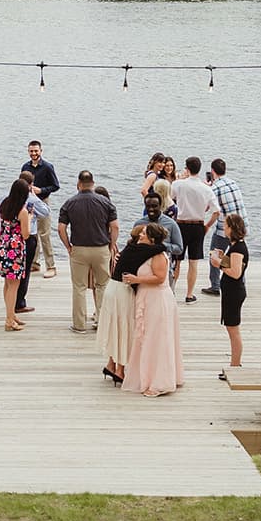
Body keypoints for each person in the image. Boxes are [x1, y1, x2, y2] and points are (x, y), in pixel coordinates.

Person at [122, 221, 184, 397]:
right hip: (147, 297)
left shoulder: (158, 255)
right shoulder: (148, 252)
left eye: (144, 234)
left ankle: (159, 382)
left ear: (152, 238)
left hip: (158, 299)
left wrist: (136, 280)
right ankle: (147, 375)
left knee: (157, 339)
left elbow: (160, 277)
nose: (140, 235)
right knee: (147, 337)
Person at [101, 216, 164, 386]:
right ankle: (120, 370)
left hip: (112, 288)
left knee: (116, 328)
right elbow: (161, 248)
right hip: (122, 291)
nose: (142, 236)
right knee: (124, 329)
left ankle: (111, 364)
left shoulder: (130, 249)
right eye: (142, 234)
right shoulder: (142, 249)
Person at [57, 170, 119, 333]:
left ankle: (79, 325)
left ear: (79, 183)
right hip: (101, 248)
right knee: (102, 285)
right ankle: (102, 321)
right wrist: (112, 245)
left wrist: (68, 246)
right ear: (93, 183)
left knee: (79, 287)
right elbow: (115, 227)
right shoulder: (105, 203)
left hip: (79, 249)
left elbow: (61, 228)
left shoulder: (69, 203)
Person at [171, 156, 220, 303]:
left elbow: (170, 199)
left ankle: (172, 290)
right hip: (198, 225)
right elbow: (216, 211)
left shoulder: (178, 184)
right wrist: (207, 226)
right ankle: (189, 294)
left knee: (177, 261)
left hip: (180, 224)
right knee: (193, 263)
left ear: (187, 168)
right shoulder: (206, 188)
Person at [0, 178, 33, 330]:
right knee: (14, 285)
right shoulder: (23, 211)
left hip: (2, 245)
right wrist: (30, 218)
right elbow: (26, 235)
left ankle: (11, 314)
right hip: (14, 249)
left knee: (7, 283)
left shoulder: (5, 204)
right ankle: (8, 320)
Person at [210, 212, 249, 377]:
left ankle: (235, 365)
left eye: (226, 226)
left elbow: (235, 272)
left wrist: (218, 264)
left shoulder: (238, 248)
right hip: (231, 291)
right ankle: (234, 363)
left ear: (232, 228)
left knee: (233, 330)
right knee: (231, 328)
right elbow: (232, 264)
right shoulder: (235, 246)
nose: (223, 229)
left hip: (234, 291)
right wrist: (222, 257)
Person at [204, 158, 244, 297]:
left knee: (214, 253)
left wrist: (207, 225)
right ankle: (240, 281)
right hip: (242, 225)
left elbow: (209, 209)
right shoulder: (233, 182)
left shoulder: (215, 188)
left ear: (213, 171)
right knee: (238, 255)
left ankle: (215, 286)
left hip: (225, 228)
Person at [21, 140, 60, 276]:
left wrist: (41, 190)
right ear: (28, 151)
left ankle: (51, 266)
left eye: (36, 151)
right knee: (32, 234)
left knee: (45, 234)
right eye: (31, 151)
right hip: (29, 203)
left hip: (42, 202)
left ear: (41, 151)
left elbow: (55, 186)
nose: (34, 153)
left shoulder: (48, 167)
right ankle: (34, 263)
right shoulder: (25, 166)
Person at [15, 170, 49, 315]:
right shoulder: (31, 199)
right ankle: (20, 302)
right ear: (30, 185)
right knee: (25, 270)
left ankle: (11, 299)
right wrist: (35, 196)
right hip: (28, 237)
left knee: (14, 271)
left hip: (13, 238)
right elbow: (46, 212)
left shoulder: (8, 197)